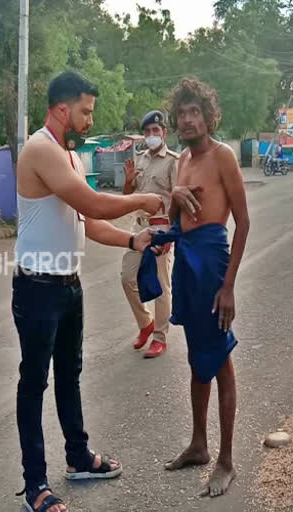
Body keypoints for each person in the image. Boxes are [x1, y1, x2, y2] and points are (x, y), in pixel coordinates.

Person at [12, 70, 164, 512]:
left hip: (68, 286)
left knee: (69, 376)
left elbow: (89, 221)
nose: (89, 119)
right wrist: (142, 201)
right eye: (85, 111)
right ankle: (35, 485)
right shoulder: (40, 149)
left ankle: (78, 457)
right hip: (38, 287)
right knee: (33, 384)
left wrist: (132, 240)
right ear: (62, 108)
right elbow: (93, 203)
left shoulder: (72, 157)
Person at [152, 77, 250, 498]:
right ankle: (198, 444)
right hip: (186, 264)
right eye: (182, 113)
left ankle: (226, 459)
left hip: (212, 264)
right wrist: (173, 196)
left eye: (196, 112)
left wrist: (228, 286)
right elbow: (175, 222)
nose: (188, 119)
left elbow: (243, 222)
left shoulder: (223, 156)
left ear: (208, 116)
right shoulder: (183, 162)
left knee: (220, 358)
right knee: (196, 357)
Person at [120, 110, 179, 358]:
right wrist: (128, 181)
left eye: (156, 131)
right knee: (127, 277)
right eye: (147, 132)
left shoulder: (173, 161)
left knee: (162, 286)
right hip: (139, 227)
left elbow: (179, 200)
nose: (152, 136)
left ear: (164, 133)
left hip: (161, 228)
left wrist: (170, 236)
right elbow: (128, 198)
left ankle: (159, 337)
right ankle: (146, 323)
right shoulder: (140, 159)